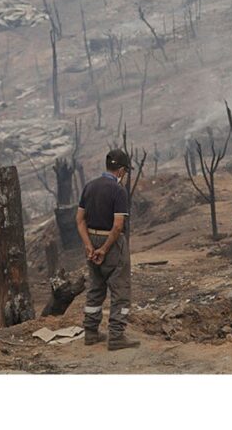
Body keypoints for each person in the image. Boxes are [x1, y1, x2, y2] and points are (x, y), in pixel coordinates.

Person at [76, 149, 140, 350]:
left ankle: (91, 332)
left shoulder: (90, 187)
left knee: (96, 288)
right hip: (111, 243)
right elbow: (118, 225)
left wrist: (89, 246)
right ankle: (116, 336)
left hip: (91, 238)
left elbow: (79, 220)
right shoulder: (118, 191)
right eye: (125, 171)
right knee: (120, 290)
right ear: (121, 170)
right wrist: (104, 249)